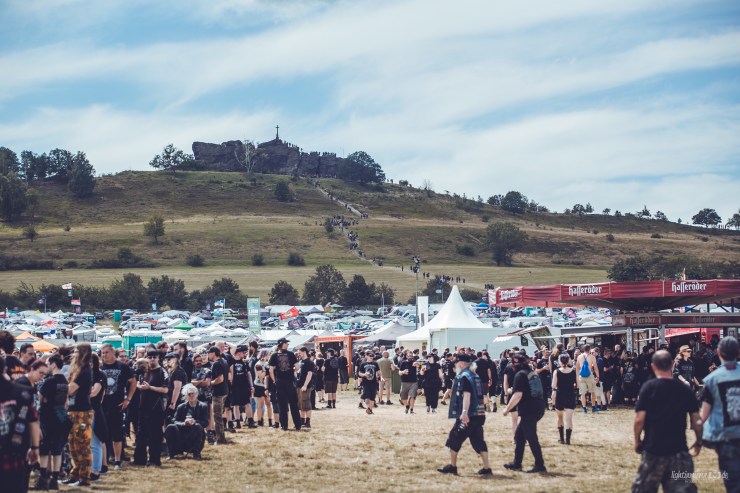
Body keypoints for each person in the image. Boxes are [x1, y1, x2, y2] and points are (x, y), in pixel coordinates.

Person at [632, 350, 702, 493]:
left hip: (653, 449)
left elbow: (639, 419)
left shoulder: (648, 388)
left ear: (653, 366)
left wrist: (637, 441)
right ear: (672, 365)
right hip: (678, 449)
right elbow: (696, 419)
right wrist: (699, 440)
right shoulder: (685, 390)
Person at [436, 353, 492, 477]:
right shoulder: (475, 375)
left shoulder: (464, 377)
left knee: (454, 438)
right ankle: (487, 468)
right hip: (479, 414)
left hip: (469, 415)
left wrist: (464, 412)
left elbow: (467, 395)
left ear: (461, 364)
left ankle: (452, 466)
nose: (455, 366)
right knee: (478, 441)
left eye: (456, 364)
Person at [699, 336, 740, 493]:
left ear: (718, 352)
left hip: (725, 437)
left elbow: (704, 414)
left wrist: (698, 436)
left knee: (733, 483)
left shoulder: (711, 380)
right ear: (738, 353)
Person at [0, 355, 41, 493]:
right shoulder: (23, 392)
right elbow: (33, 421)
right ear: (5, 369)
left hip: (13, 452)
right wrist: (35, 447)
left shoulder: (23, 391)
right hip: (14, 453)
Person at [503, 352, 547, 474]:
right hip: (538, 406)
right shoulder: (531, 373)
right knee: (519, 436)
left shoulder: (520, 375)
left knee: (531, 437)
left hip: (529, 409)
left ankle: (540, 465)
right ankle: (517, 463)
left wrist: (507, 409)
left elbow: (518, 395)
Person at [63, 343, 94, 487]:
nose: (73, 354)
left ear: (83, 353)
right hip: (74, 411)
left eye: (76, 351)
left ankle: (84, 478)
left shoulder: (85, 371)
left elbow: (70, 390)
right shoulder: (78, 370)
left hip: (82, 413)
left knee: (82, 444)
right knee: (73, 445)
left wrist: (65, 386)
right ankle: (75, 475)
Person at [100, 343, 135, 470]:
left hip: (117, 405)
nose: (104, 355)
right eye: (102, 353)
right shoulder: (100, 366)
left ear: (113, 353)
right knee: (103, 434)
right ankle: (104, 460)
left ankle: (117, 460)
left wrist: (128, 399)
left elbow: (133, 382)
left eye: (106, 352)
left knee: (117, 435)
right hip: (102, 405)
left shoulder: (123, 367)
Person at [36, 354, 68, 491]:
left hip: (47, 416)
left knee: (44, 448)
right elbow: (65, 401)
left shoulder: (50, 381)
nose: (47, 366)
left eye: (48, 363)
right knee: (57, 449)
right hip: (60, 416)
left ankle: (43, 479)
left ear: (54, 364)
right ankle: (54, 479)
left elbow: (40, 398)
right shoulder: (64, 380)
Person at [133, 349, 167, 466]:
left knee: (155, 435)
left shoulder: (162, 371)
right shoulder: (145, 371)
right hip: (143, 406)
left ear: (158, 358)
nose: (152, 359)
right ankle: (139, 460)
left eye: (154, 357)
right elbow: (139, 383)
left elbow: (165, 389)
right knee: (141, 434)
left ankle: (154, 460)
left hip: (156, 407)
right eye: (150, 357)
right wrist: (139, 386)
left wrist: (150, 387)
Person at [164, 384, 209, 460]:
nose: (191, 396)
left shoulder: (203, 406)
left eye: (193, 393)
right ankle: (170, 453)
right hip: (182, 434)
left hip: (195, 433)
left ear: (197, 394)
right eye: (189, 394)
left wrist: (194, 422)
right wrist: (183, 423)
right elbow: (174, 421)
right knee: (170, 427)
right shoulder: (181, 407)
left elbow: (206, 422)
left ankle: (196, 454)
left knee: (198, 426)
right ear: (186, 395)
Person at [269, 338, 301, 431]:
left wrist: (274, 380)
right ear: (282, 344)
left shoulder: (274, 355)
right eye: (286, 343)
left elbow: (271, 370)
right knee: (293, 404)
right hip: (290, 381)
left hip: (279, 382)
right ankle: (298, 424)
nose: (287, 344)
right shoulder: (290, 354)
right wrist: (292, 370)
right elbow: (297, 367)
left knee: (282, 405)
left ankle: (284, 425)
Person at [89, 353, 108, 482]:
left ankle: (96, 470)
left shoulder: (99, 374)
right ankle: (95, 468)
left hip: (94, 410)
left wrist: (80, 391)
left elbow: (95, 393)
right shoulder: (85, 374)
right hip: (87, 410)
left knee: (95, 441)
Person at [551, 353, 577, 445]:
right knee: (569, 419)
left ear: (560, 361)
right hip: (570, 395)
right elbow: (576, 384)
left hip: (560, 395)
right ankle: (568, 440)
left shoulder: (557, 371)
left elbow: (553, 385)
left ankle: (561, 438)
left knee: (560, 417)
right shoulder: (573, 371)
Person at [229, 345, 256, 429]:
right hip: (234, 386)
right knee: (235, 405)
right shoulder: (231, 361)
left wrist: (251, 385)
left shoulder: (244, 362)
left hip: (244, 386)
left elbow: (248, 374)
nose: (244, 354)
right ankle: (237, 422)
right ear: (238, 353)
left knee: (247, 403)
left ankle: (250, 421)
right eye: (243, 352)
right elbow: (231, 351)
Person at [207, 346, 230, 444]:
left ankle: (220, 439)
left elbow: (220, 378)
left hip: (218, 392)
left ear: (213, 353)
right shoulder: (224, 361)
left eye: (209, 353)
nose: (208, 355)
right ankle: (221, 437)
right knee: (219, 415)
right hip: (224, 391)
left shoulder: (216, 364)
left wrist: (210, 383)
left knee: (217, 417)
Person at [575, 344, 600, 413]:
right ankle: (593, 407)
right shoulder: (592, 357)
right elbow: (595, 367)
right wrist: (598, 376)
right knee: (592, 392)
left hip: (581, 376)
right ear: (589, 349)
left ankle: (584, 408)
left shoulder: (579, 356)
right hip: (589, 376)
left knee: (582, 393)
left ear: (583, 349)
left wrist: (577, 377)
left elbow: (577, 368)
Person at [296, 347, 315, 428]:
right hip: (299, 385)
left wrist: (305, 385)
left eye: (299, 353)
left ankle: (307, 422)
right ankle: (302, 422)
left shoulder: (309, 362)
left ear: (304, 352)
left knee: (306, 404)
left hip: (305, 387)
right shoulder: (300, 362)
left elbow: (309, 374)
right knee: (301, 405)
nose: (298, 354)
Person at [358, 350, 380, 415]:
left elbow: (378, 372)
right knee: (366, 394)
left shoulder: (375, 364)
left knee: (373, 396)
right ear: (366, 356)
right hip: (366, 382)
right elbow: (359, 373)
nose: (371, 357)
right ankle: (366, 406)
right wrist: (364, 374)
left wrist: (381, 377)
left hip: (373, 382)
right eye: (370, 355)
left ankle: (370, 409)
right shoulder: (363, 364)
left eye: (372, 356)